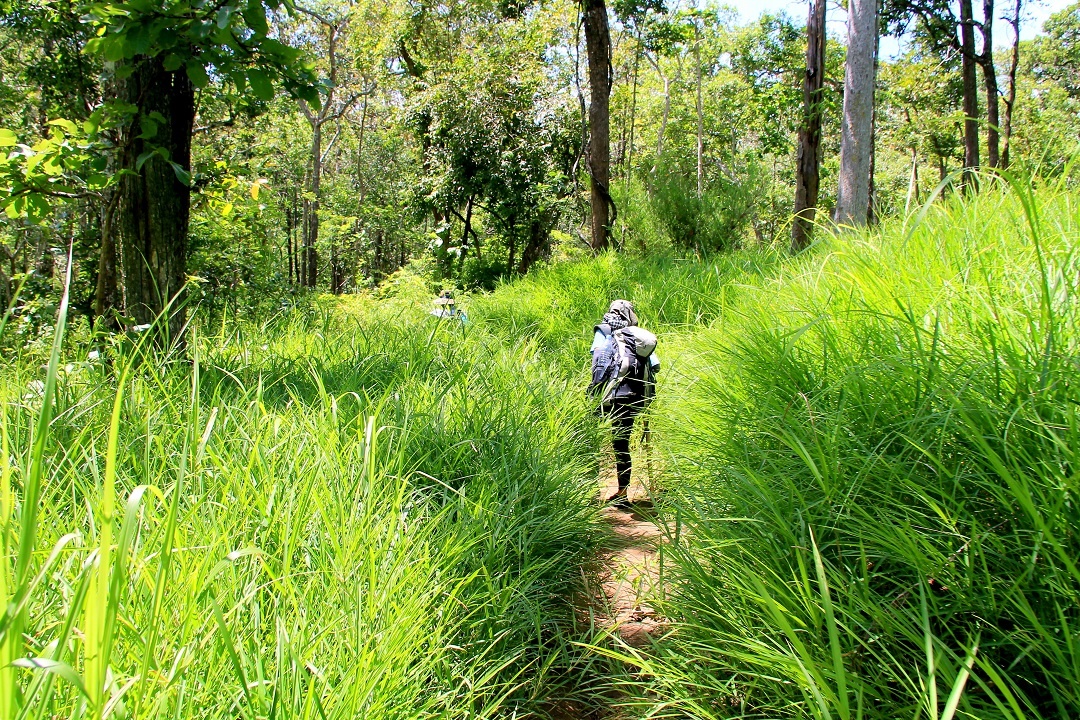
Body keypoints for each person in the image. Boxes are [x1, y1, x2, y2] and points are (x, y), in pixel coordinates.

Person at [590, 299, 659, 507]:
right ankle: (622, 493)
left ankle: (591, 491)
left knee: (593, 441)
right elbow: (655, 365)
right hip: (634, 395)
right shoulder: (636, 336)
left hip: (608, 394)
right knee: (622, 443)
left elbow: (597, 359)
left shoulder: (603, 330)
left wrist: (594, 391)